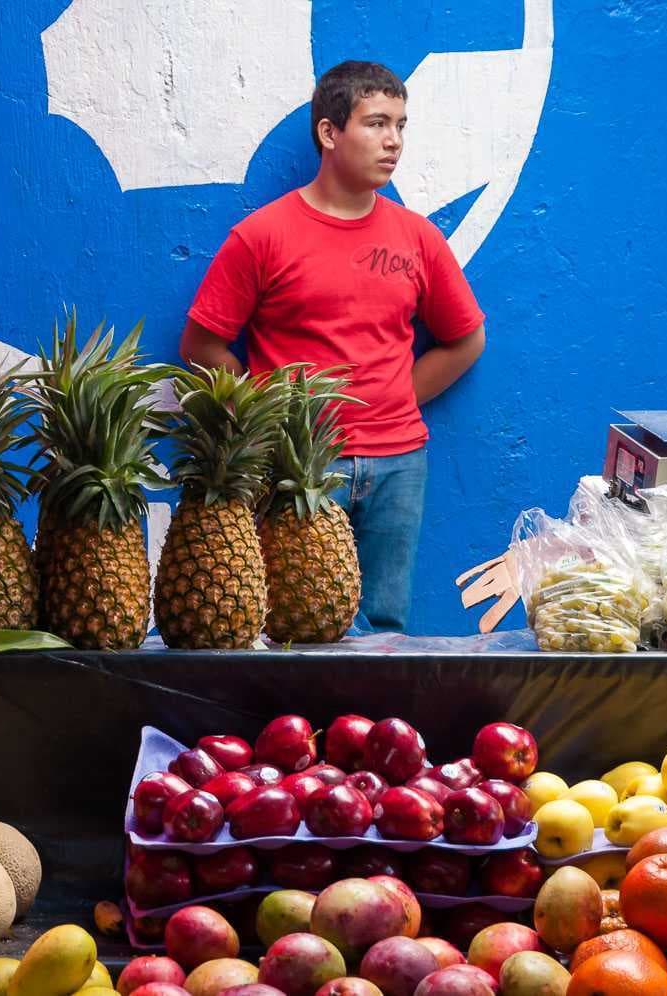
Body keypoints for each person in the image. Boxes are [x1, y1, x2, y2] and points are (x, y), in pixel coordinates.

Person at [179, 60, 486, 633]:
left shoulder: (417, 237)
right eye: (375, 123)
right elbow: (201, 342)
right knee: (289, 627)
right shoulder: (263, 235)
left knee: (386, 625)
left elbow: (466, 338)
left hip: (399, 464)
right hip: (297, 466)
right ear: (329, 132)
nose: (393, 140)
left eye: (400, 125)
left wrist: (397, 396)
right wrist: (267, 412)